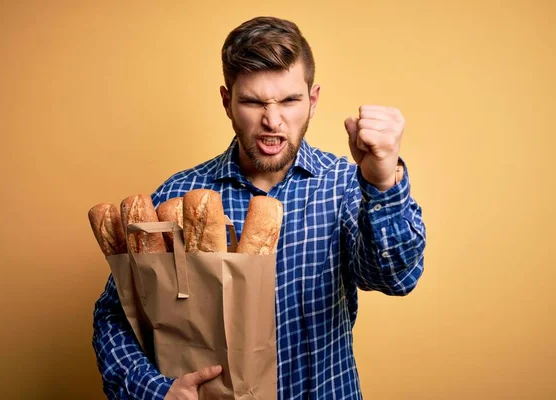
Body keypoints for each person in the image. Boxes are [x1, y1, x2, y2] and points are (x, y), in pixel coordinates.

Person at [92, 15, 426, 400]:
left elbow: (396, 277)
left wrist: (383, 183)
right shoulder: (178, 197)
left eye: (289, 100)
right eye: (252, 101)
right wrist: (155, 391)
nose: (272, 120)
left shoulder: (346, 185)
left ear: (312, 100)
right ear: (227, 102)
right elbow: (115, 315)